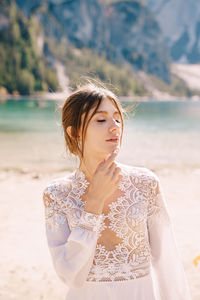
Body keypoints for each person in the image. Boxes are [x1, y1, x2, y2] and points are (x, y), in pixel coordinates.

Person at [42, 83, 191, 300]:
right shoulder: (57, 194)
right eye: (101, 120)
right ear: (74, 132)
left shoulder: (145, 183)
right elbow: (69, 275)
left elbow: (168, 262)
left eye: (117, 118)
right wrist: (94, 203)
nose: (114, 127)